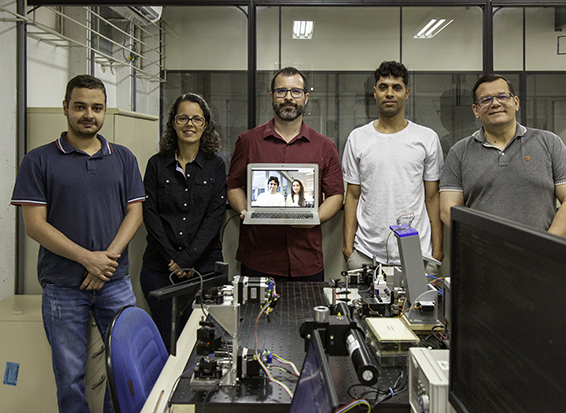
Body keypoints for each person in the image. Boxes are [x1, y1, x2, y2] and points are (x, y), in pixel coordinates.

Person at [10, 75, 144, 413]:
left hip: (115, 283)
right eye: (80, 106)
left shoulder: (123, 158)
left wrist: (106, 262)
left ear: (103, 111)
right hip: (63, 288)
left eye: (97, 108)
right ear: (65, 107)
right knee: (69, 376)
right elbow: (34, 226)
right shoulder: (38, 161)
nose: (89, 114)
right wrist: (88, 259)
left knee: (126, 367)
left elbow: (135, 213)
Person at [226, 67, 344, 281]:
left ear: (305, 98)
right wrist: (245, 210)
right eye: (281, 91)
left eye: (295, 92)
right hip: (258, 259)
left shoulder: (324, 146)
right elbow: (233, 185)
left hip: (306, 261)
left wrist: (314, 218)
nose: (288, 97)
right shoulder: (248, 141)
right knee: (255, 316)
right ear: (272, 97)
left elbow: (336, 194)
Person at [439, 74, 566, 236]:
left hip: (539, 255)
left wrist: (545, 248)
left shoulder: (549, 142)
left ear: (515, 103)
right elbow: (448, 210)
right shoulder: (459, 152)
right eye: (485, 100)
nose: (495, 103)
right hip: (484, 255)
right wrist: (481, 245)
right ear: (476, 110)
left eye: (502, 96)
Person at [140, 93, 226, 352]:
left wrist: (188, 259)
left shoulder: (216, 166)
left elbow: (214, 216)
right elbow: (150, 214)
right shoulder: (156, 165)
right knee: (168, 344)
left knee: (204, 343)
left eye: (197, 119)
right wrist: (174, 260)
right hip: (160, 270)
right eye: (183, 118)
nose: (190, 124)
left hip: (205, 269)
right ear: (173, 123)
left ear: (205, 124)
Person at [342, 61, 444, 272]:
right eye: (383, 87)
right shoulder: (357, 138)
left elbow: (432, 197)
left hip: (419, 252)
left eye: (396, 87)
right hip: (366, 254)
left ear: (406, 93)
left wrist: (438, 248)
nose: (389, 93)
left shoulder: (426, 138)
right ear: (375, 93)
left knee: (419, 306)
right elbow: (352, 195)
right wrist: (348, 247)